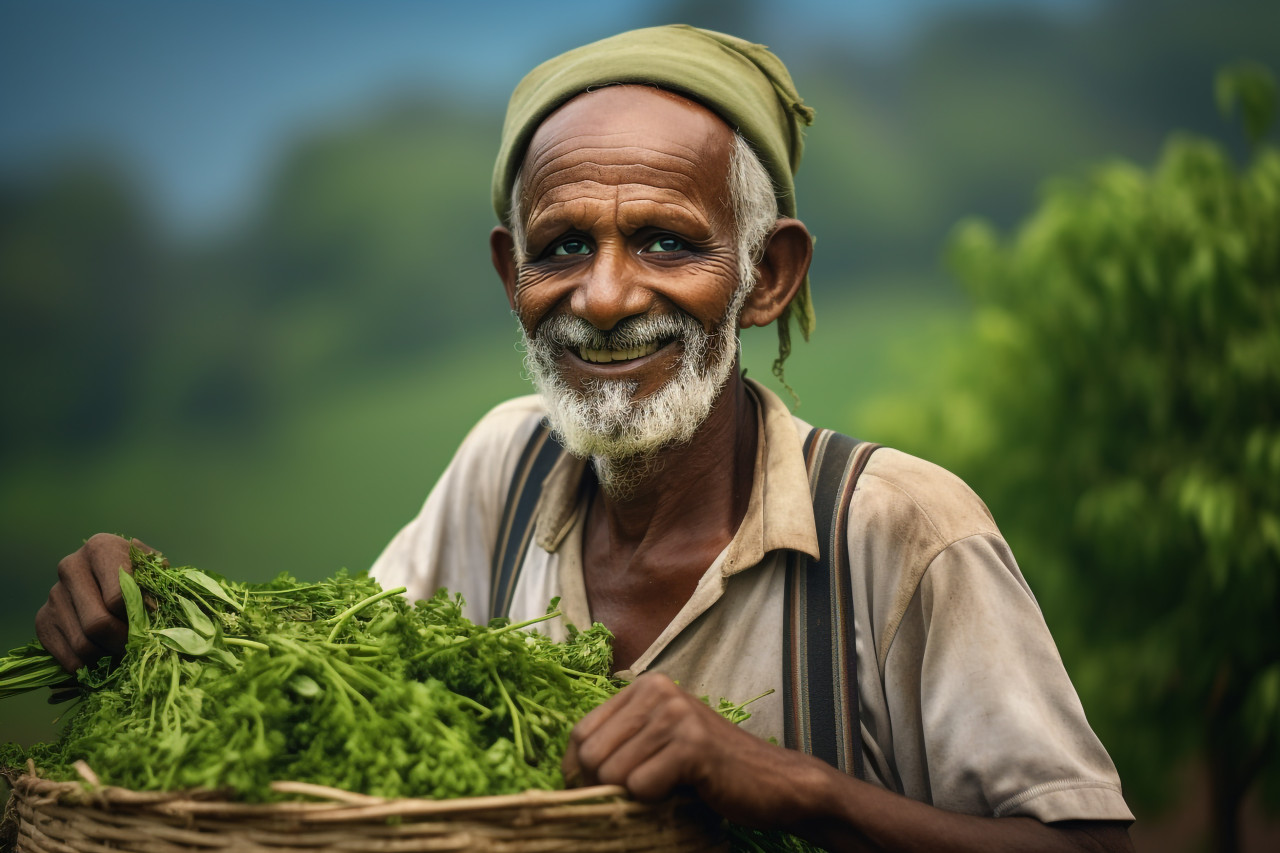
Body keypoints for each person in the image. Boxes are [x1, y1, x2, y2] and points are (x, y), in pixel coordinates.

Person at [36, 25, 1135, 853]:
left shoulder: (897, 531)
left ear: (767, 275)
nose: (603, 299)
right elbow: (327, 694)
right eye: (562, 247)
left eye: (664, 240)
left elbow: (1089, 841)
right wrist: (161, 609)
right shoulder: (500, 473)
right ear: (510, 277)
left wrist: (797, 785)